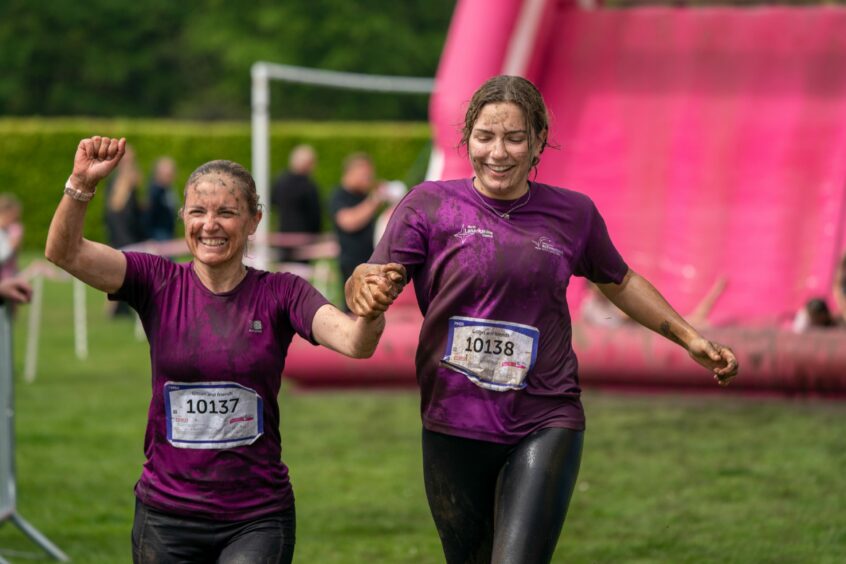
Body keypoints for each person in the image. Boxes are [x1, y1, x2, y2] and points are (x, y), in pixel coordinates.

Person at [346, 75, 739, 564]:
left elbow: (621, 281)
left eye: (514, 138)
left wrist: (689, 338)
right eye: (485, 137)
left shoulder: (572, 213)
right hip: (452, 419)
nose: (499, 152)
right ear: (467, 138)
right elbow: (370, 275)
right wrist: (361, 287)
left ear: (537, 143)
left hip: (544, 416)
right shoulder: (429, 205)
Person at [45, 136, 402, 564]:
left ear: (254, 221)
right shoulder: (156, 280)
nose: (209, 224)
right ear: (183, 218)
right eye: (198, 211)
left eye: (226, 213)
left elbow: (354, 342)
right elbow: (64, 252)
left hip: (256, 518)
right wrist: (80, 184)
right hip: (165, 515)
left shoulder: (282, 292)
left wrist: (372, 308)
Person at [329, 152, 385, 300]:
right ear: (351, 173)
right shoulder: (339, 195)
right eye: (365, 175)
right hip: (351, 264)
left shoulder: (363, 195)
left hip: (370, 261)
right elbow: (348, 222)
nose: (369, 180)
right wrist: (373, 201)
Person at [270, 145, 323, 263]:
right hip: (304, 240)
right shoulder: (309, 186)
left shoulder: (280, 181)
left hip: (283, 236)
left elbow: (273, 203)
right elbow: (315, 215)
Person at [145, 156, 178, 241]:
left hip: (167, 232)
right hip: (158, 233)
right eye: (168, 175)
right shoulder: (155, 191)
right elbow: (150, 215)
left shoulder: (168, 189)